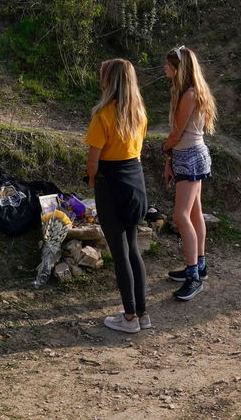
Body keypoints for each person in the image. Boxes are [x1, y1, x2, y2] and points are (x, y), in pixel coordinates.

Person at [85, 58, 151, 333]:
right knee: (133, 250)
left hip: (110, 185)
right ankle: (142, 314)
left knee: (120, 252)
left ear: (108, 81)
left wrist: (91, 179)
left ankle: (128, 317)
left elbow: (93, 160)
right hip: (136, 183)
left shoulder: (103, 115)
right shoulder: (139, 114)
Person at [161, 45, 218, 302]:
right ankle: (199, 266)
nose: (165, 69)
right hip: (192, 154)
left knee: (180, 216)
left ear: (178, 68)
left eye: (168, 65)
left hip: (190, 157)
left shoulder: (189, 95)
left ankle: (193, 276)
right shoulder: (190, 92)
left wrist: (165, 148)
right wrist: (171, 156)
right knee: (194, 213)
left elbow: (177, 133)